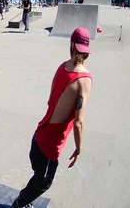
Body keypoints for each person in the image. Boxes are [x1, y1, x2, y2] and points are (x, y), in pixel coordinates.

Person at [10, 27, 93, 208]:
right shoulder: (84, 80)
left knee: (38, 175)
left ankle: (23, 201)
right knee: (44, 182)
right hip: (49, 146)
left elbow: (50, 101)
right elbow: (79, 122)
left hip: (39, 135)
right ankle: (20, 204)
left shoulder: (62, 67)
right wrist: (78, 149)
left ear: (72, 44)